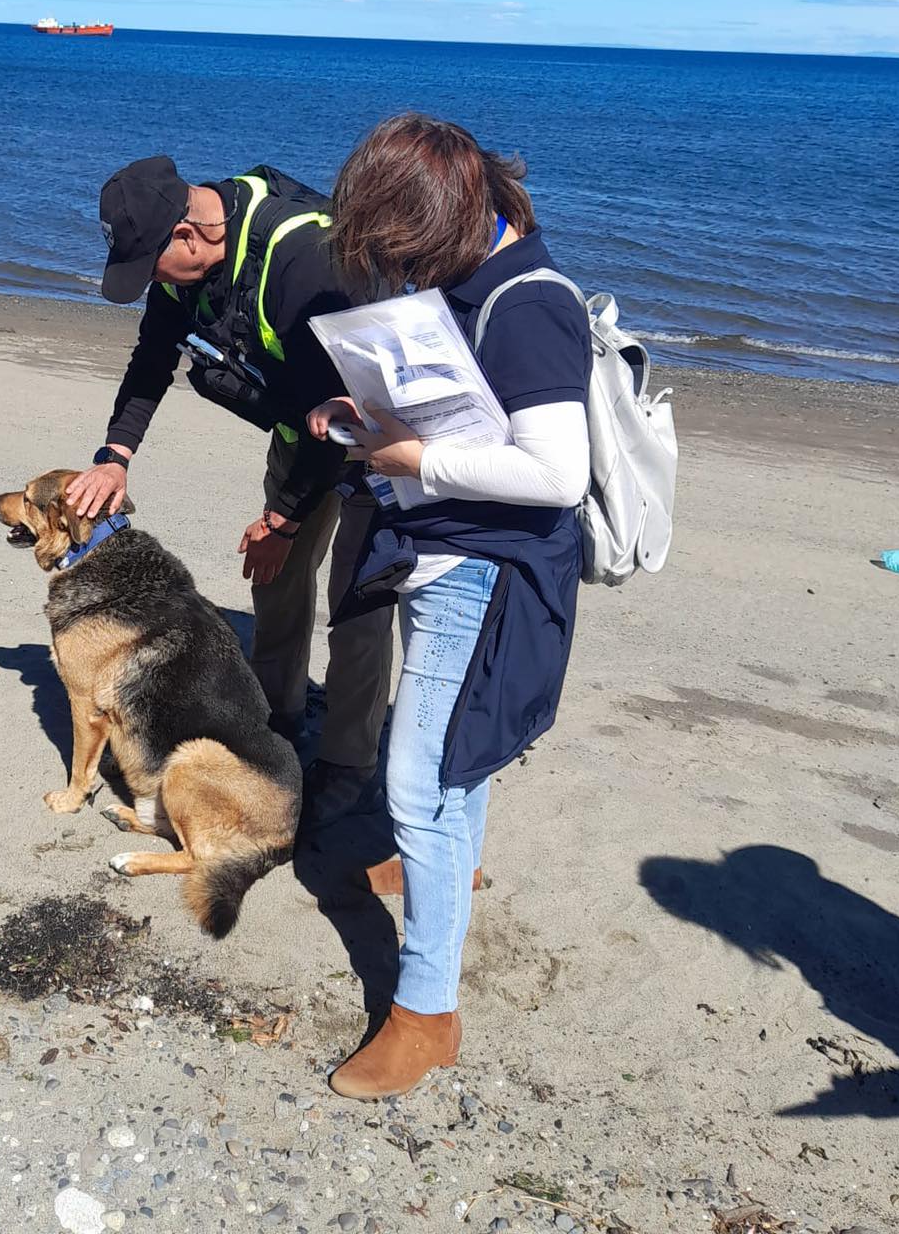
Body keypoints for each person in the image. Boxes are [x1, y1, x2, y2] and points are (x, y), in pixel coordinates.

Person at [308, 114, 592, 1099]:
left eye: (405, 256)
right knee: (451, 759)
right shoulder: (476, 276)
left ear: (453, 221)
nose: (400, 274)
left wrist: (413, 457)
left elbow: (559, 474)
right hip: (452, 550)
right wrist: (372, 421)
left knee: (421, 781)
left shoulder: (528, 304)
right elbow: (478, 411)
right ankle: (447, 875)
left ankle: (426, 1015)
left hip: (487, 570)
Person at [66, 157, 395, 806]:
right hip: (303, 426)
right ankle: (276, 720)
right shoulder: (187, 265)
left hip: (379, 439)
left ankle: (346, 763)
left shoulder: (306, 261)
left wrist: (282, 520)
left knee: (358, 604)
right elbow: (153, 355)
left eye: (150, 265)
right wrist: (115, 454)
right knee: (276, 581)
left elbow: (339, 419)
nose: (150, 282)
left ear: (190, 234)